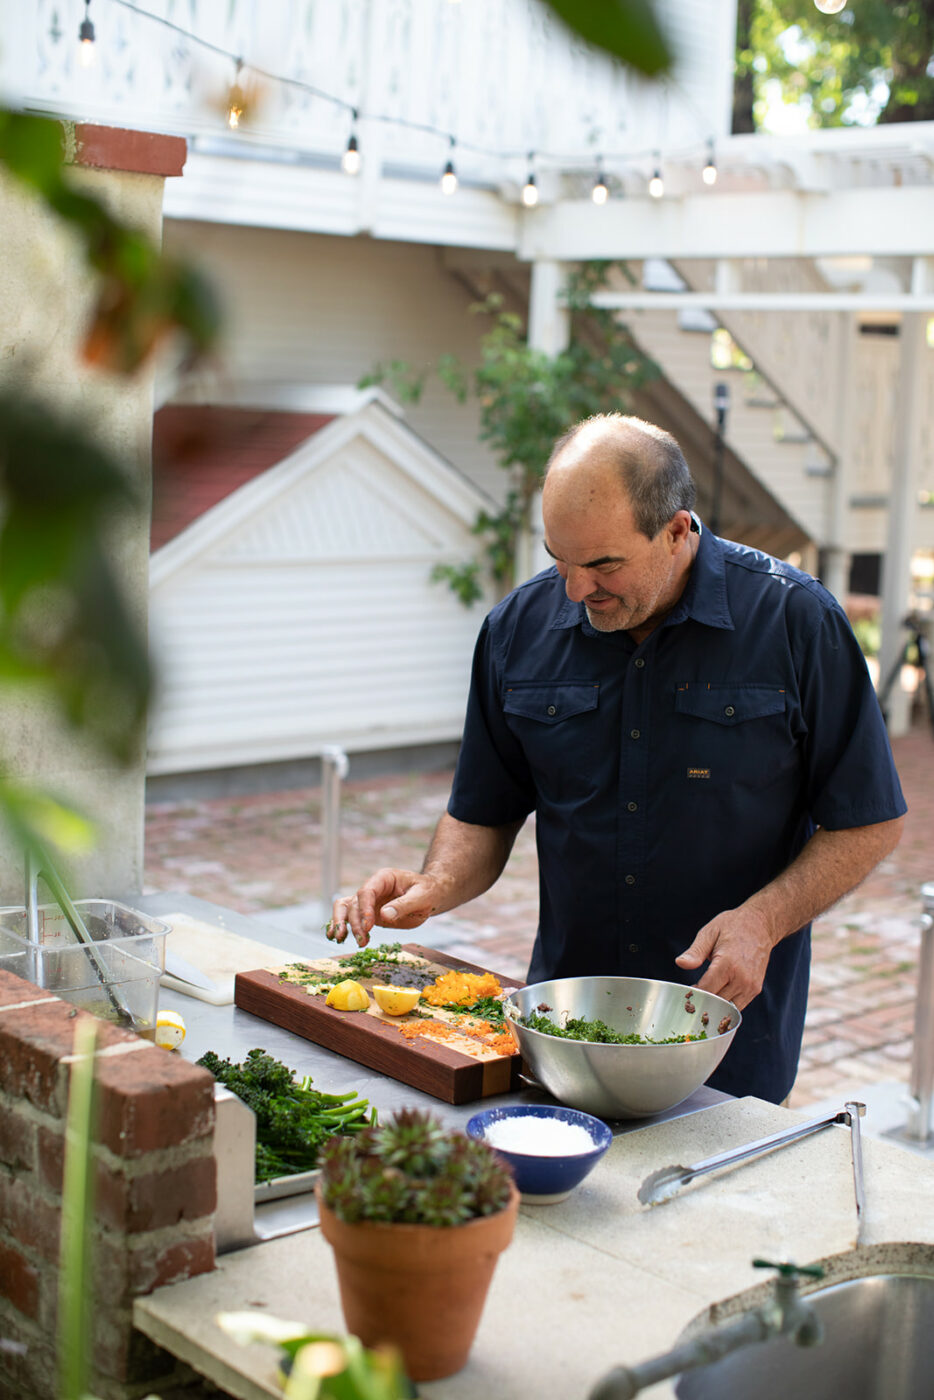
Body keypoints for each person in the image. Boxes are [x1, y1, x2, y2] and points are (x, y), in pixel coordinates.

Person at [329, 414, 906, 1102]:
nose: (576, 590)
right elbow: (485, 812)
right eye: (558, 559)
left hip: (728, 1038)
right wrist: (434, 885)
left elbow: (870, 819)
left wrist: (763, 922)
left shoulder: (795, 620)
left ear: (677, 530)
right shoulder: (516, 631)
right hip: (561, 1032)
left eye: (603, 564)